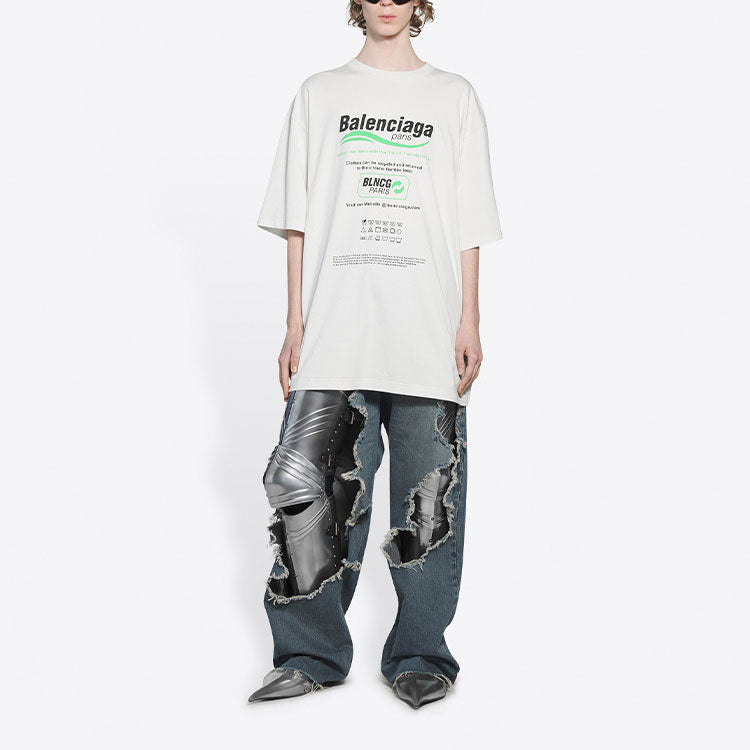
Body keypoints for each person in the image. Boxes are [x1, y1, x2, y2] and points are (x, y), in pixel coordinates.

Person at [249, 0, 503, 709]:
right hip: (336, 328)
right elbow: (298, 219)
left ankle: (421, 654)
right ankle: (308, 653)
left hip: (426, 328)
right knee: (314, 494)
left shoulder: (454, 97)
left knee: (429, 501)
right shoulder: (319, 94)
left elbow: (470, 220)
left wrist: (470, 319)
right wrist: (294, 322)